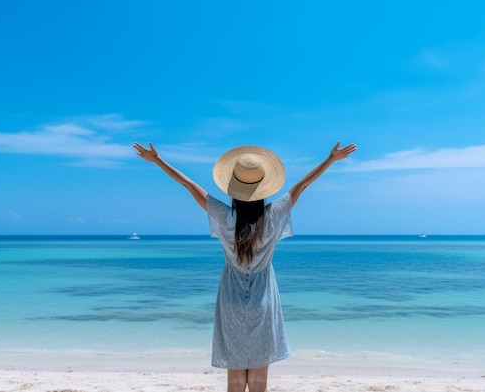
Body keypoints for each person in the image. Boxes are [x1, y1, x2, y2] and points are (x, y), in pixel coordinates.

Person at [133, 141, 357, 392]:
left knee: (236, 380)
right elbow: (302, 185)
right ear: (263, 190)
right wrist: (330, 159)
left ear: (234, 190)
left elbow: (188, 185)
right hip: (264, 299)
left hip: (231, 300)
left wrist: (157, 160)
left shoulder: (225, 218)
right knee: (260, 380)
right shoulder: (272, 217)